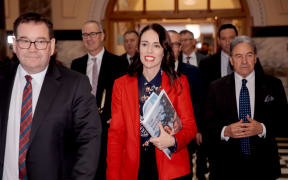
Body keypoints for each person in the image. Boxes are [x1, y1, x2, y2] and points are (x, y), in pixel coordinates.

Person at [0, 13, 101, 180]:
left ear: (52, 46)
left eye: (40, 41)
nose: (32, 48)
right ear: (15, 45)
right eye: (25, 41)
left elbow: (89, 141)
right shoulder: (2, 80)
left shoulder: (75, 85)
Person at [107, 23, 197, 180]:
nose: (149, 51)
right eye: (144, 44)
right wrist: (112, 175)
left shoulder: (178, 82)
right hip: (133, 167)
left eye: (156, 45)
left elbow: (190, 127)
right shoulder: (121, 85)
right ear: (138, 48)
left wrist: (173, 140)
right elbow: (116, 136)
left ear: (164, 51)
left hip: (171, 167)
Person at [205, 36, 287, 180]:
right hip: (226, 166)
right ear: (231, 60)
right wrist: (226, 131)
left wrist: (262, 128)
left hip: (263, 165)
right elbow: (207, 124)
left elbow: (284, 121)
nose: (244, 61)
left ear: (255, 58)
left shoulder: (274, 85)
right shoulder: (215, 87)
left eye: (249, 55)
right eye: (238, 56)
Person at [70, 20, 126, 179]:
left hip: (109, 127)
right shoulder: (76, 64)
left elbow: (125, 96)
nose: (89, 38)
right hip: (81, 128)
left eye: (93, 34)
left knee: (106, 171)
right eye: (85, 35)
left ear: (102, 36)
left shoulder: (118, 63)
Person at [168, 30, 208, 180]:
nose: (172, 48)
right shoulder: (154, 71)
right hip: (163, 135)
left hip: (187, 131)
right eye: (168, 44)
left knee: (186, 171)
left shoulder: (193, 72)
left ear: (180, 47)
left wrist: (199, 129)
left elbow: (200, 101)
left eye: (175, 44)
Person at [199, 24, 263, 92]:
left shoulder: (251, 60)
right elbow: (204, 90)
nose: (228, 42)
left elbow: (262, 84)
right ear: (218, 41)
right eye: (224, 39)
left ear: (237, 38)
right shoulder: (206, 63)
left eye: (231, 38)